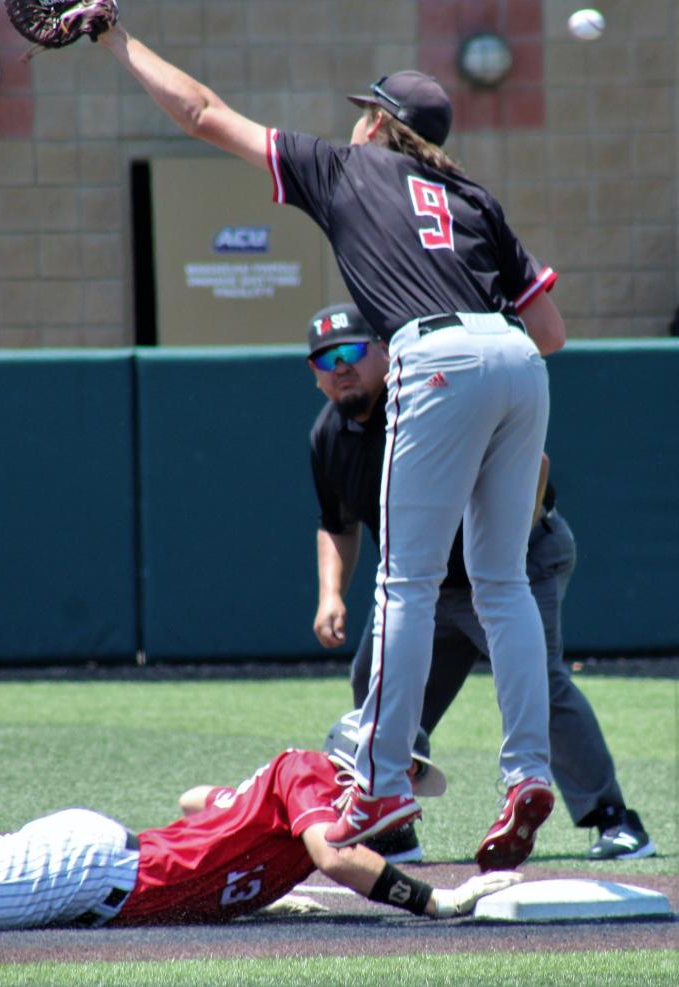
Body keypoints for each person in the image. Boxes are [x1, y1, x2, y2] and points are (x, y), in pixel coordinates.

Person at [95, 15, 566, 867]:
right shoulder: (472, 197)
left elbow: (201, 112)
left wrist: (114, 39)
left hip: (437, 357)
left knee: (405, 581)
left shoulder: (345, 166)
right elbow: (551, 329)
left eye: (364, 112)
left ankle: (381, 785)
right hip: (517, 360)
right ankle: (529, 770)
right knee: (503, 583)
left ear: (381, 125)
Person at [307, 303, 656, 864]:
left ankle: (616, 821)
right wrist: (330, 594)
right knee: (373, 673)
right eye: (326, 359)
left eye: (352, 351)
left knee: (539, 682)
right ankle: (393, 823)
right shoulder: (329, 435)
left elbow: (532, 468)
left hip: (515, 562)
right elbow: (337, 522)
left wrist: (497, 563)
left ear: (384, 351)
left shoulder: (430, 396)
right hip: (428, 588)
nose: (341, 367)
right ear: (314, 373)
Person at [0, 728, 518, 930]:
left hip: (101, 862)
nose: (410, 792)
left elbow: (197, 796)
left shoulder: (294, 798)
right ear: (363, 758)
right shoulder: (313, 775)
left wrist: (256, 880)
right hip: (90, 872)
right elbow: (336, 854)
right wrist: (433, 902)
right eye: (406, 772)